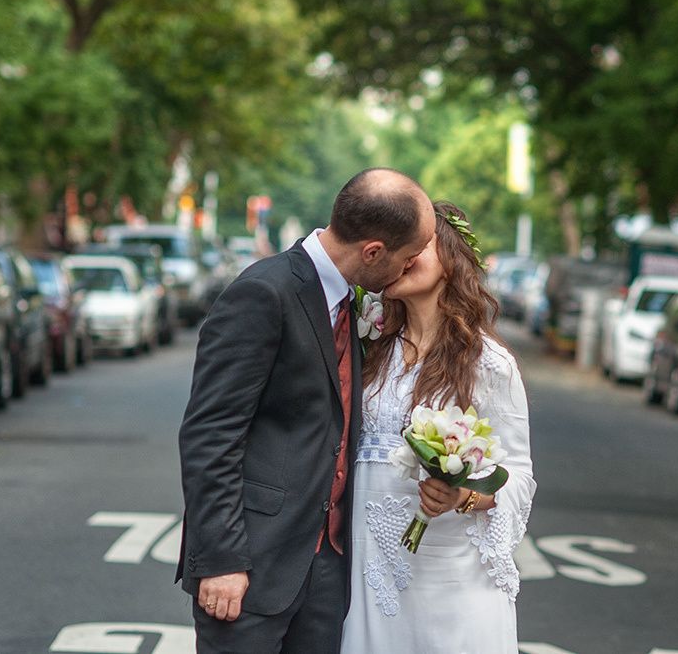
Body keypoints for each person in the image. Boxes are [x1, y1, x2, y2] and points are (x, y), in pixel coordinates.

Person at [176, 168, 436, 654]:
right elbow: (209, 435)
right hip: (251, 565)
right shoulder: (263, 292)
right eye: (406, 259)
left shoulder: (352, 303)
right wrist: (220, 560)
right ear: (373, 252)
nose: (408, 269)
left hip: (326, 572)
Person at [340, 202, 537, 654]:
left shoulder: (488, 362)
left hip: (450, 578)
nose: (403, 256)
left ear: (451, 258)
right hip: (369, 576)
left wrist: (462, 495)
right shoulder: (371, 350)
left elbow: (520, 477)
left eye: (419, 245)